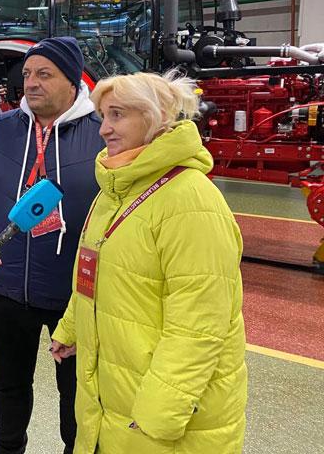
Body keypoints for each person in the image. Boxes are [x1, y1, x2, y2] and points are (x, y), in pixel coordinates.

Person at [51, 71, 247, 454]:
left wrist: (158, 414)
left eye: (117, 115)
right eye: (103, 116)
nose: (104, 129)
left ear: (154, 118)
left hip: (164, 419)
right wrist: (72, 327)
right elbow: (94, 273)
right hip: (119, 395)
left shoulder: (191, 201)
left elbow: (198, 326)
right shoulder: (115, 190)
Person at [0, 37, 105, 454]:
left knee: (76, 397)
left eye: (44, 74)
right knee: (8, 388)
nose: (31, 83)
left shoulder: (102, 133)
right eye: (26, 74)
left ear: (73, 80)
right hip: (6, 291)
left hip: (75, 298)